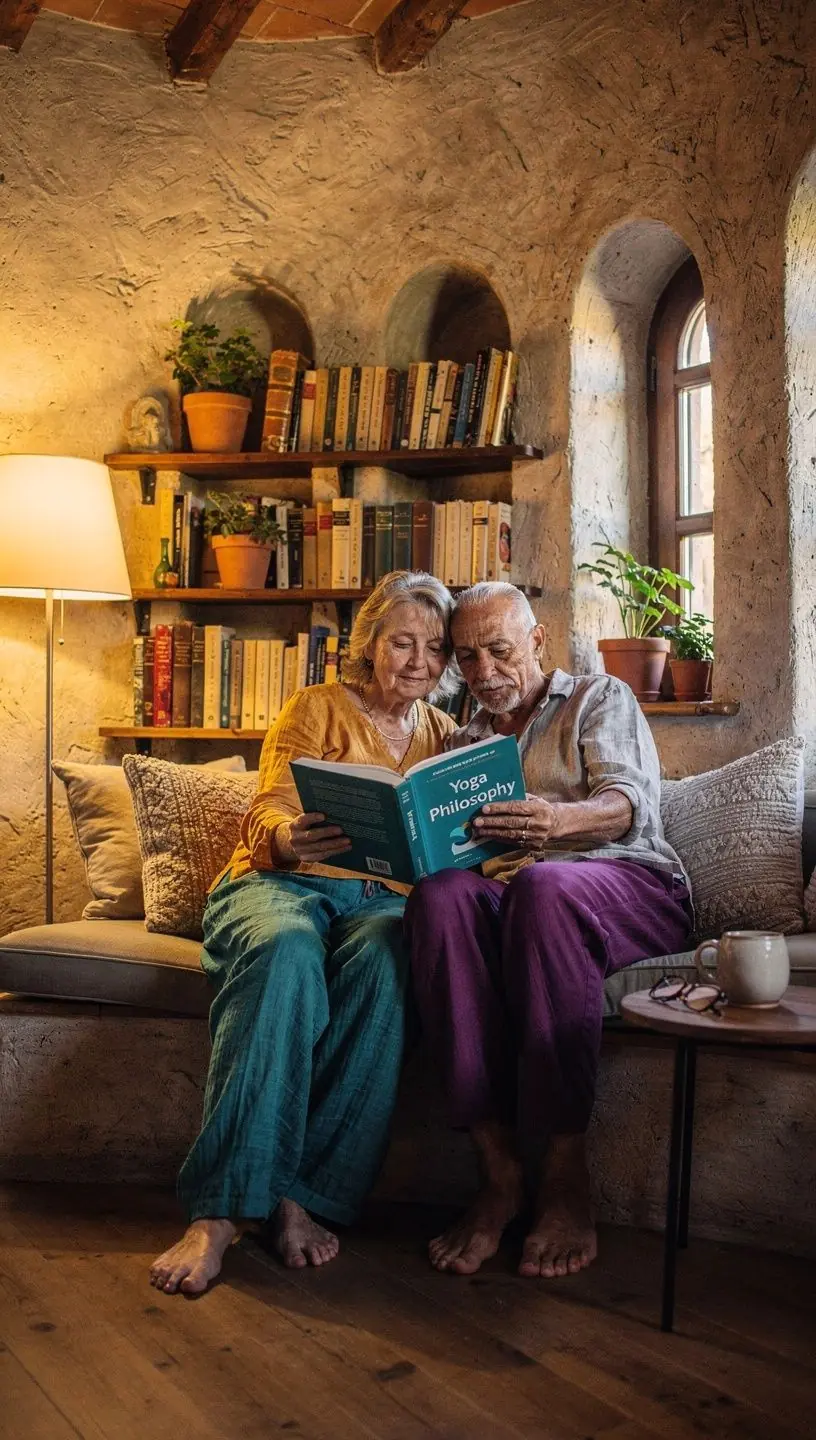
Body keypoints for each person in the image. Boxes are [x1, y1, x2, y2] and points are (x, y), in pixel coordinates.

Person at [150, 571, 456, 1296]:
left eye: (435, 648)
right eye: (402, 642)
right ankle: (219, 1212)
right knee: (284, 951)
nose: (418, 661)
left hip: (381, 902)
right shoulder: (316, 707)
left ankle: (301, 1197)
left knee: (388, 963)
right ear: (371, 644)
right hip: (280, 883)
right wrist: (292, 837)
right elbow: (267, 812)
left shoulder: (445, 734)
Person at [405, 581, 693, 1281]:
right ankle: (498, 1171)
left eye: (499, 651)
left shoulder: (599, 697)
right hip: (523, 898)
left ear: (536, 641)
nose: (485, 674)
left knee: (543, 883)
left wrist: (556, 822)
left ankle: (564, 1171)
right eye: (468, 659)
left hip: (630, 885)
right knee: (440, 899)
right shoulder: (466, 736)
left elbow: (627, 806)